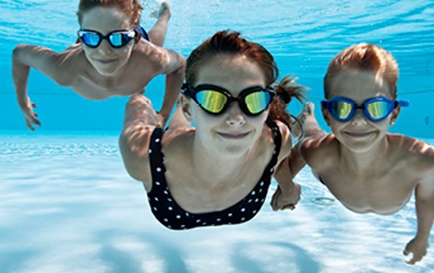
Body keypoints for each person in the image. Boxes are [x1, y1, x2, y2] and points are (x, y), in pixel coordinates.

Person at [119, 30, 306, 230]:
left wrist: (288, 188)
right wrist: (141, 100)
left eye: (253, 99)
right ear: (187, 107)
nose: (236, 119)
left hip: (191, 136)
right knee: (139, 102)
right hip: (172, 140)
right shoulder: (142, 155)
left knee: (186, 129)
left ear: (267, 106)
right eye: (213, 99)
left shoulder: (276, 141)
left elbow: (276, 164)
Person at [272, 43, 434, 264]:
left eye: (376, 107)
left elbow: (426, 196)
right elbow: (282, 162)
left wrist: (422, 237)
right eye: (342, 108)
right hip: (329, 166)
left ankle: (310, 117)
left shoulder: (421, 159)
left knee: (318, 137)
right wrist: (287, 188)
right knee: (311, 136)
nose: (359, 120)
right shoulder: (318, 154)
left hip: (333, 149)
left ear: (394, 113)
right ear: (328, 114)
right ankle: (308, 117)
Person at [12, 0, 185, 130]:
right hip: (114, 58)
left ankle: (165, 13)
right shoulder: (63, 69)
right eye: (91, 37)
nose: (104, 51)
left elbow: (180, 65)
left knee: (157, 37)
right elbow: (19, 54)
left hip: (137, 55)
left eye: (117, 38)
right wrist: (22, 102)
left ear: (136, 37)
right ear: (81, 39)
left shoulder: (150, 58)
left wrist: (163, 115)